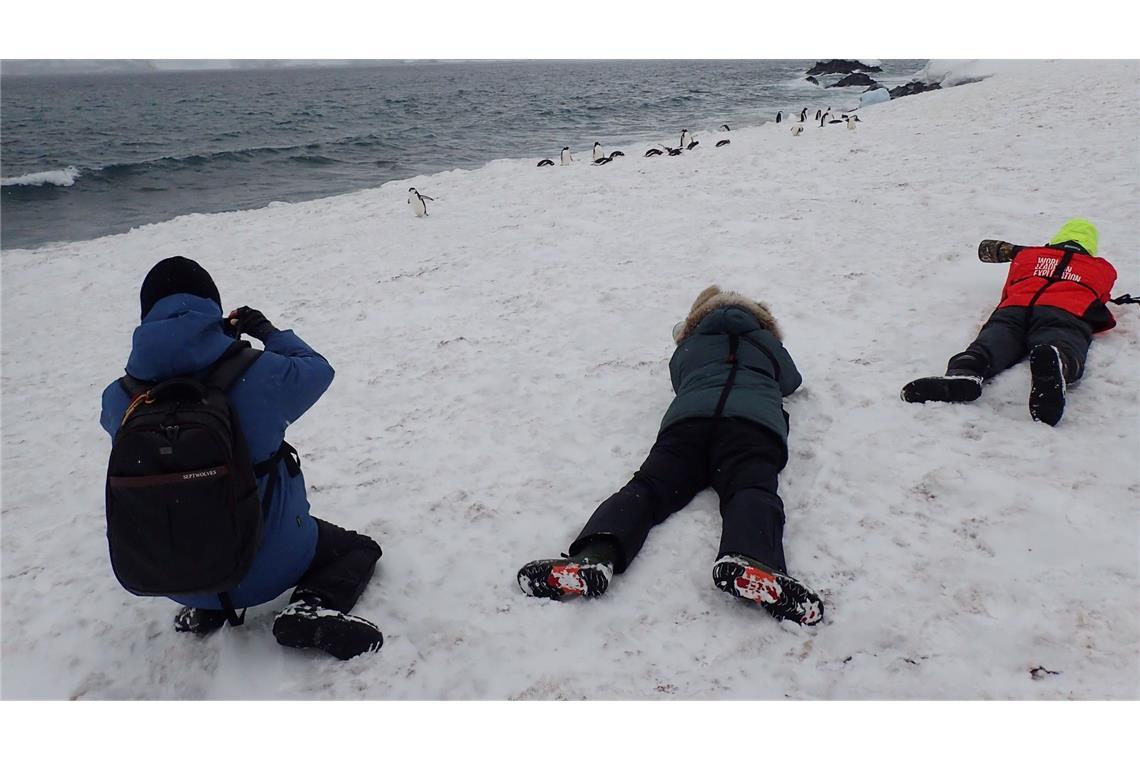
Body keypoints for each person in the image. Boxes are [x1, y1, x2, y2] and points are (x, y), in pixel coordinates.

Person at [100, 256, 384, 660]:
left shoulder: (119, 398)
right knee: (359, 549)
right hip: (268, 568)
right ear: (212, 306)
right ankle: (311, 605)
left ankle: (205, 609)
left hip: (171, 577)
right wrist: (261, 332)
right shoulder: (260, 373)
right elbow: (318, 369)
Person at [517, 285, 824, 626]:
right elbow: (791, 382)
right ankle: (750, 558)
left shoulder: (690, 347)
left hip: (688, 425)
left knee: (648, 488)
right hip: (751, 427)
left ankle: (594, 557)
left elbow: (680, 380)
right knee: (750, 488)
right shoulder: (768, 345)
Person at [901, 219, 1119, 426]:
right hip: (1065, 309)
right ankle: (1059, 361)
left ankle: (966, 372)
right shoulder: (1103, 268)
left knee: (991, 342)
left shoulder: (1029, 254)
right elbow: (1100, 295)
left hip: (1014, 307)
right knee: (1063, 339)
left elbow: (995, 255)